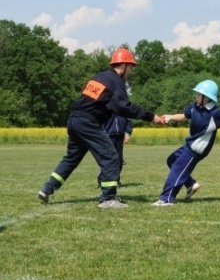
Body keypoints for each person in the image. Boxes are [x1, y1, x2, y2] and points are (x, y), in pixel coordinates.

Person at [38, 47, 166, 208]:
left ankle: (47, 188)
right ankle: (108, 199)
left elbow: (107, 104)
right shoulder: (116, 81)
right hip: (87, 122)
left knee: (72, 158)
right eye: (131, 67)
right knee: (111, 156)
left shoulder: (100, 77)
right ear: (124, 65)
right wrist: (150, 116)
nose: (132, 71)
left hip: (73, 119)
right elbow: (122, 106)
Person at [152, 80, 220, 206]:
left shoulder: (215, 113)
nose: (196, 96)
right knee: (171, 160)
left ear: (207, 98)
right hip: (190, 144)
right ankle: (191, 184)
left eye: (199, 94)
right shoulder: (195, 107)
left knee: (178, 168)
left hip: (198, 148)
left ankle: (166, 199)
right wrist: (170, 117)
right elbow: (183, 116)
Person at [99, 113, 133, 188]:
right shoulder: (104, 105)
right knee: (109, 159)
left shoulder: (123, 107)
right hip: (107, 135)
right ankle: (103, 180)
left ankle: (116, 180)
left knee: (119, 160)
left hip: (119, 136)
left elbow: (128, 120)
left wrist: (127, 133)